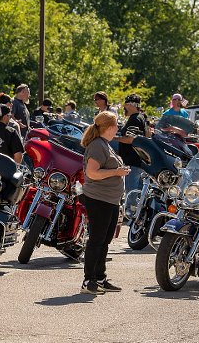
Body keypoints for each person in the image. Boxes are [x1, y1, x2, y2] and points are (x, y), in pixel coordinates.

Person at [79, 110, 127, 294]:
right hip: (99, 199)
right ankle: (88, 280)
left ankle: (100, 277)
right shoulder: (98, 146)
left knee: (104, 240)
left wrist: (119, 171)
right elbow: (92, 173)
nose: (117, 128)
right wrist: (116, 172)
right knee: (96, 240)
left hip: (110, 199)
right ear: (108, 127)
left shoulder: (105, 144)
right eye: (115, 125)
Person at [115, 94, 150, 192]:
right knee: (137, 191)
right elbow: (148, 135)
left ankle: (130, 208)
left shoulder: (135, 119)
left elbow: (130, 139)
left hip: (132, 161)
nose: (124, 107)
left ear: (130, 105)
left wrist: (113, 138)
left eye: (125, 105)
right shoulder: (141, 117)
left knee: (131, 192)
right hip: (137, 161)